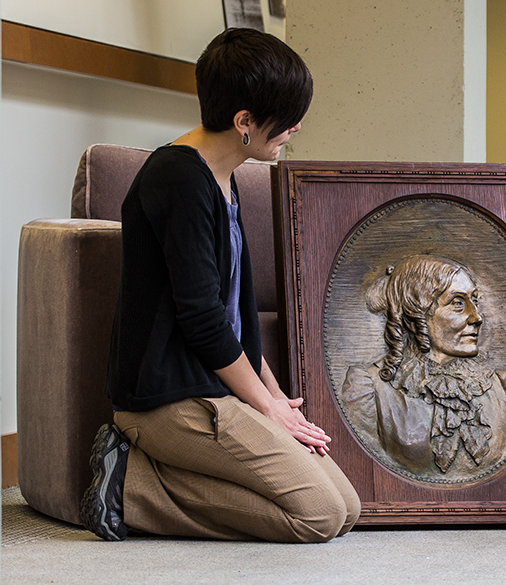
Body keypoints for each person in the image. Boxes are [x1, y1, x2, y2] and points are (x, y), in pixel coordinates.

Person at [80, 28, 360, 543]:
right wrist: (265, 407)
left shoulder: (225, 179)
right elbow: (202, 318)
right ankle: (130, 486)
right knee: (317, 515)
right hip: (167, 401)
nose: (296, 127)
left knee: (346, 506)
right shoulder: (178, 179)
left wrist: (280, 402)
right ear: (244, 122)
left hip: (215, 389)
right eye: (287, 117)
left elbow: (235, 314)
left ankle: (145, 480)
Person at [338, 255, 506, 481]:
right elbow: (360, 468)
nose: (477, 317)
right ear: (414, 317)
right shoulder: (369, 388)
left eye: (475, 301)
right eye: (458, 303)